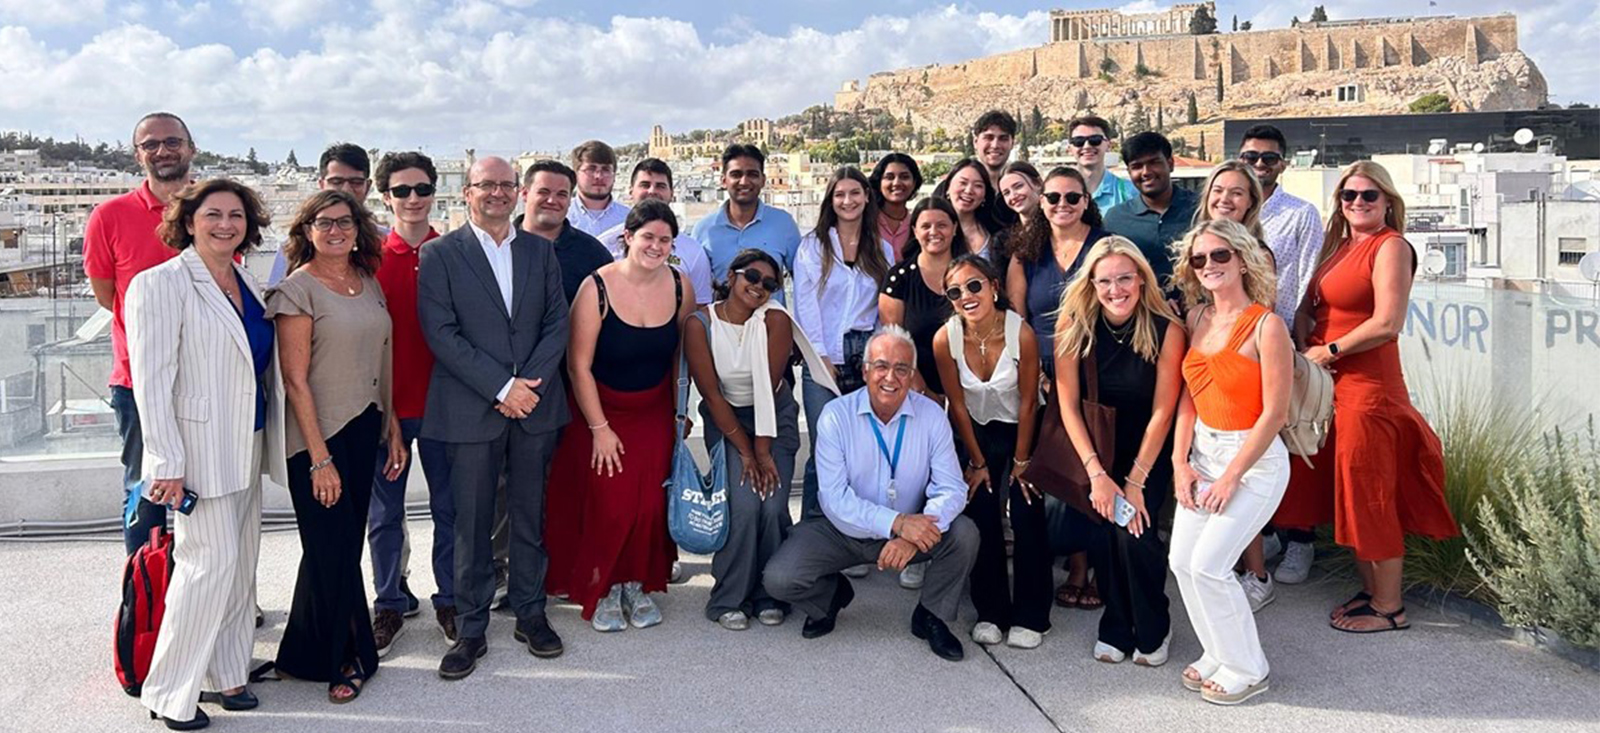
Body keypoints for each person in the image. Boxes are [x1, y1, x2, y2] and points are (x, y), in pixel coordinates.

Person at [128, 179, 280, 730]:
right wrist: (165, 461)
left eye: (235, 215)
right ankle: (169, 690)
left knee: (240, 568)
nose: (225, 224)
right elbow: (152, 381)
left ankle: (228, 673)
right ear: (188, 221)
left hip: (248, 442)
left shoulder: (246, 279)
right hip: (198, 452)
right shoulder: (160, 284)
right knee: (203, 569)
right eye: (212, 214)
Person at [1285, 162, 1457, 634]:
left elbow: (1388, 322)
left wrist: (1330, 349)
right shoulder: (1338, 247)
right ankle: (1370, 590)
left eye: (1368, 195)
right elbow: (1310, 305)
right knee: (1347, 489)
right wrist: (1303, 335)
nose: (1357, 203)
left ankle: (1389, 606)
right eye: (1349, 195)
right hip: (1328, 382)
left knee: (1371, 490)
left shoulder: (1391, 247)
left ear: (1387, 201)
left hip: (1368, 385)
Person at [418, 156, 571, 680]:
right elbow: (441, 333)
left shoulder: (540, 251)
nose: (499, 193)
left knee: (531, 517)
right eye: (488, 185)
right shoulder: (439, 254)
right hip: (471, 408)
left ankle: (530, 613)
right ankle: (471, 628)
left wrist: (527, 387)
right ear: (468, 192)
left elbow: (557, 322)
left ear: (519, 193)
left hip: (535, 406)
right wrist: (502, 387)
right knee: (472, 524)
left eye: (507, 185)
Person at [762, 325, 978, 662]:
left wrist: (910, 534)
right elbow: (834, 499)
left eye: (902, 368)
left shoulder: (932, 416)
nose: (890, 377)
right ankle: (830, 597)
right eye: (881, 366)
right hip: (841, 531)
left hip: (907, 529)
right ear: (865, 371)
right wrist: (897, 523)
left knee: (964, 534)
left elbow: (951, 488)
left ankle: (931, 616)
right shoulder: (836, 416)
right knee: (779, 578)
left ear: (911, 375)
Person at [267, 189, 405, 704]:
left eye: (344, 221)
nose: (335, 230)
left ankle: (300, 653)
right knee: (334, 548)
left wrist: (391, 424)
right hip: (316, 438)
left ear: (357, 228)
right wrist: (319, 457)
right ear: (307, 231)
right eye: (323, 222)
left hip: (365, 425)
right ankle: (352, 656)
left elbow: (384, 356)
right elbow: (295, 380)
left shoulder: (367, 283)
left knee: (337, 545)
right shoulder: (296, 290)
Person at [549, 200, 695, 631]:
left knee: (650, 504)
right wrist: (599, 429)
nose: (656, 246)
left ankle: (637, 581)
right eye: (647, 236)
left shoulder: (680, 283)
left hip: (653, 409)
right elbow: (578, 366)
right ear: (627, 237)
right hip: (600, 409)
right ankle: (605, 584)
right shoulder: (596, 288)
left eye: (665, 239)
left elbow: (682, 356)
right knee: (610, 505)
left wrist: (679, 412)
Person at [1169, 218, 1293, 706]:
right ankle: (1218, 652)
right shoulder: (1196, 320)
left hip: (1253, 461)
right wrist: (1181, 462)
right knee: (1182, 562)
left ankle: (1248, 667)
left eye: (1220, 255)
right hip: (1202, 452)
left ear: (1242, 259)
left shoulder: (1267, 324)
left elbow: (1275, 414)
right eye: (1199, 259)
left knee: (1211, 565)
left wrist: (1232, 476)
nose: (1209, 265)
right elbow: (1188, 398)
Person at [686, 249, 836, 630]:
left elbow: (768, 389)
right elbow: (713, 396)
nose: (759, 287)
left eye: (769, 283)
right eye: (752, 277)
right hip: (727, 420)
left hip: (774, 418)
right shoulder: (699, 324)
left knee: (771, 504)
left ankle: (772, 592)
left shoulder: (775, 319)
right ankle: (729, 596)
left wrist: (764, 450)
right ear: (732, 276)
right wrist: (746, 452)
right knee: (744, 506)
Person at [1054, 237, 1185, 666]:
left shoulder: (1167, 329)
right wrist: (1096, 473)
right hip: (1096, 449)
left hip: (1148, 449)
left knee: (1137, 534)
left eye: (1125, 278)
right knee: (1107, 532)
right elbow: (1067, 405)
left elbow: (1164, 409)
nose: (1116, 289)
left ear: (1142, 280)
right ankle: (1115, 622)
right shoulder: (1074, 325)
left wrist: (1135, 479)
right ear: (1091, 284)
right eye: (1105, 280)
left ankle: (1152, 625)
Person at [83, 111, 190, 555]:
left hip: (205, 376)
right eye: (151, 144)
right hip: (136, 381)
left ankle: (212, 595)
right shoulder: (109, 217)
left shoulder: (216, 210)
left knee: (210, 497)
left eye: (172, 141)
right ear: (137, 154)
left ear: (190, 147)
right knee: (145, 490)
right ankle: (145, 602)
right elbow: (109, 297)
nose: (162, 151)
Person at [1005, 167, 1111, 610]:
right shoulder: (1025, 254)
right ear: (1041, 202)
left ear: (1087, 201)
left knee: (1098, 464)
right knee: (1060, 472)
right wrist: (1039, 375)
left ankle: (1096, 566)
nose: (1062, 206)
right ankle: (1076, 564)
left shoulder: (1104, 249)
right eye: (1053, 198)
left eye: (1072, 197)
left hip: (1099, 371)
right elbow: (1018, 319)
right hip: (1043, 371)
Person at [931, 254, 1047, 649]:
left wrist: (1022, 462)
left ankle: (1032, 613)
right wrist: (977, 463)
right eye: (955, 291)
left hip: (1022, 430)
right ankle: (990, 611)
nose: (967, 295)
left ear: (994, 286)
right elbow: (957, 405)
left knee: (1027, 509)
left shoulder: (1021, 334)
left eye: (974, 285)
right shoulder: (945, 338)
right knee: (981, 513)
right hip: (976, 433)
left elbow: (1029, 402)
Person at [366, 151, 457, 653]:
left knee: (450, 511)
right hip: (390, 412)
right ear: (387, 198)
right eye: (402, 191)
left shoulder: (457, 253)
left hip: (448, 408)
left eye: (422, 188)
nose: (414, 198)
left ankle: (449, 598)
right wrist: (386, 413)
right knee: (384, 516)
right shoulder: (370, 261)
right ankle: (388, 604)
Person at [1191, 160, 1279, 612]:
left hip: (1244, 394)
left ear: (1251, 202)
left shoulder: (1255, 254)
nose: (1226, 199)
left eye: (1237, 193)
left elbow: (1256, 323)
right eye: (1218, 190)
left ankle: (1256, 574)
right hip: (1206, 403)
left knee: (1240, 494)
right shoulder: (1199, 249)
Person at [1239, 124, 1325, 585]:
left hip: (1282, 340)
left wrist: (1298, 342)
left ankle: (1300, 540)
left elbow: (1309, 277)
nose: (1258, 166)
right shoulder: (1232, 214)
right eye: (1250, 157)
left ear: (1283, 164)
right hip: (1237, 347)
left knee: (1292, 441)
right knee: (1253, 441)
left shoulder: (1301, 214)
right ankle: (1268, 531)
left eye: (1267, 159)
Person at [793, 167, 895, 522]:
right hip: (824, 358)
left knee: (863, 448)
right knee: (824, 448)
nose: (848, 201)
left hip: (867, 357)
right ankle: (812, 528)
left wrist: (880, 357)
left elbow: (884, 308)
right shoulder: (812, 246)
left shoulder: (881, 249)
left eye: (855, 193)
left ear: (867, 197)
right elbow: (805, 305)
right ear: (830, 200)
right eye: (840, 194)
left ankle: (856, 529)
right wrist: (819, 355)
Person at [880, 196, 968, 400]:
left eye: (942, 225)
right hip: (916, 392)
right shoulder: (899, 278)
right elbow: (894, 341)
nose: (934, 232)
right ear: (915, 231)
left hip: (971, 391)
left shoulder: (971, 275)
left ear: (955, 228)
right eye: (925, 226)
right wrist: (922, 391)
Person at [595, 158, 714, 308]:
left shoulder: (693, 251)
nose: (652, 191)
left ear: (671, 193)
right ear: (630, 191)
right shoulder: (605, 243)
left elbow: (700, 308)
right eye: (645, 185)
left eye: (660, 186)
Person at [268, 143, 379, 286]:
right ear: (321, 185)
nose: (346, 189)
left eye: (355, 182)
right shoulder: (293, 248)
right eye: (336, 182)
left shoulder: (383, 243)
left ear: (368, 186)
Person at [693, 144, 803, 286]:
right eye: (736, 174)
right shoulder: (703, 230)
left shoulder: (783, 224)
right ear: (723, 180)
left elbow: (803, 281)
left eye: (752, 174)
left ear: (763, 180)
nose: (744, 182)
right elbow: (696, 287)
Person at [1103, 132, 1199, 285]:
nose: (1146, 172)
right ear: (1129, 172)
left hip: (1197, 306)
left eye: (1154, 162)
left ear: (1170, 164)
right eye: (1137, 166)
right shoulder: (1116, 219)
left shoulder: (1200, 209)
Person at [517, 159, 615, 305]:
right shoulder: (497, 246)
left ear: (570, 200)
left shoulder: (593, 255)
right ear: (524, 193)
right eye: (544, 192)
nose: (551, 200)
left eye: (562, 194)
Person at [933, 158, 1008, 267]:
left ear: (985, 195)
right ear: (948, 188)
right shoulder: (933, 232)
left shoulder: (998, 235)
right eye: (963, 183)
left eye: (978, 185)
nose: (968, 191)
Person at [1068, 115, 1137, 213]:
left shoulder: (1129, 192)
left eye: (1095, 140)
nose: (1087, 146)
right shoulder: (1059, 195)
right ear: (1070, 149)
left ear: (1109, 145)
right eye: (1079, 141)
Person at [566, 140, 630, 237]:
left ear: (614, 175)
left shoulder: (628, 218)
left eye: (606, 169)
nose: (599, 176)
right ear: (576, 174)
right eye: (591, 169)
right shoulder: (563, 216)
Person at [868, 153, 923, 259]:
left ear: (914, 182)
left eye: (904, 177)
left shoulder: (917, 225)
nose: (896, 183)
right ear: (879, 182)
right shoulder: (866, 221)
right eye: (889, 177)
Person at [971, 110, 1018, 193]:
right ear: (975, 142)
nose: (995, 145)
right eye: (989, 138)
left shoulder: (1023, 192)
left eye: (1003, 139)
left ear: (1012, 144)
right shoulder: (955, 189)